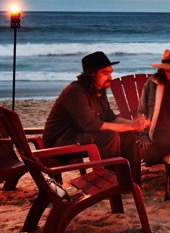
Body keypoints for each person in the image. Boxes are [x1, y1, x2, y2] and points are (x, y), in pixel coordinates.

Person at [42, 51, 149, 184]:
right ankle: (111, 182)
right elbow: (91, 125)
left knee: (128, 133)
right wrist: (130, 125)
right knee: (109, 136)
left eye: (110, 72)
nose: (110, 77)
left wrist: (134, 125)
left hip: (80, 136)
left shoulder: (98, 89)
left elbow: (110, 117)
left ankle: (129, 182)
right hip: (59, 143)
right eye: (105, 73)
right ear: (92, 74)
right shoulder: (75, 91)